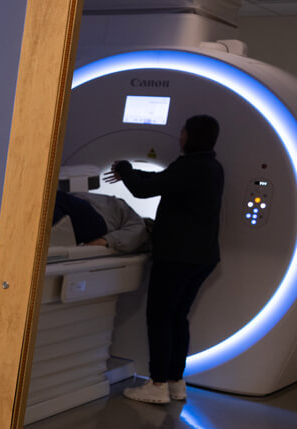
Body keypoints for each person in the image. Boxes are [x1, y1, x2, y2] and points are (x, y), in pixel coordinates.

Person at [104, 114, 224, 404]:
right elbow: (161, 181)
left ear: (191, 135)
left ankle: (156, 385)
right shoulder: (212, 167)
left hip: (176, 257)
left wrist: (124, 168)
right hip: (203, 257)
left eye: (183, 130)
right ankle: (175, 382)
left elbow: (144, 190)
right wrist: (130, 172)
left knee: (159, 318)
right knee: (177, 318)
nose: (180, 135)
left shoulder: (189, 166)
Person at [51, 190, 150, 253]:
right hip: (95, 213)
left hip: (98, 219)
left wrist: (80, 250)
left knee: (57, 199)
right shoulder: (134, 219)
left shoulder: (141, 229)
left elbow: (108, 240)